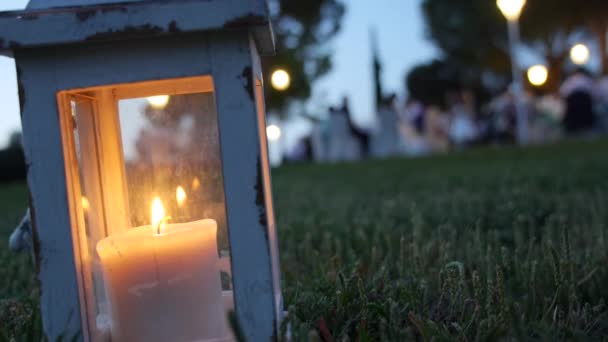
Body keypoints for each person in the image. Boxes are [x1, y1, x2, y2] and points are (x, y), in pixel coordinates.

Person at [560, 68, 596, 135]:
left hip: (575, 106)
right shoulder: (587, 80)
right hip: (583, 105)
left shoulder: (570, 80)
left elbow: (563, 93)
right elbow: (595, 94)